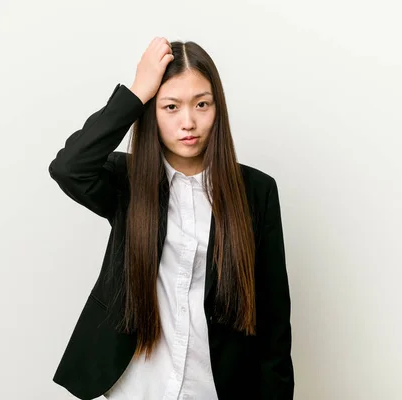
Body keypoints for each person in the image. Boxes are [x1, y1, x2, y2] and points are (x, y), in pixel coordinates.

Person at [48, 37, 294, 400]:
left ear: (217, 108)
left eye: (202, 104)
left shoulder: (256, 192)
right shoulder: (127, 181)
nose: (188, 122)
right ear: (152, 111)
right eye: (171, 107)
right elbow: (69, 168)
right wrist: (137, 91)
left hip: (213, 387)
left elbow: (274, 320)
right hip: (136, 386)